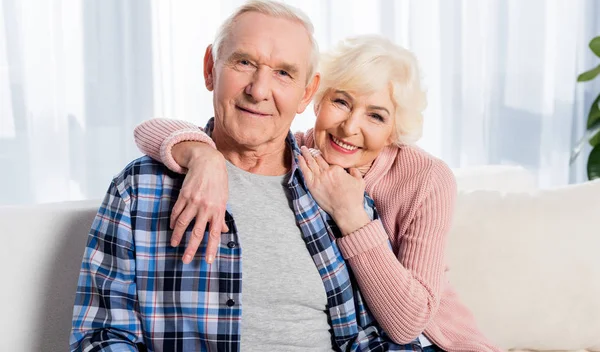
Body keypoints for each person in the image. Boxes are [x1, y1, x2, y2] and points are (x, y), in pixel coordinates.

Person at [70, 0, 423, 351]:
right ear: (211, 68)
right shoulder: (139, 191)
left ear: (307, 93)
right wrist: (203, 155)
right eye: (244, 62)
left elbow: (371, 340)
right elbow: (101, 339)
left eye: (283, 73)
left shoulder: (340, 197)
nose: (258, 90)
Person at [133, 35, 503, 352]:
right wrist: (202, 156)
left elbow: (407, 325)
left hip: (434, 342)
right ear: (316, 98)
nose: (349, 127)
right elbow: (149, 129)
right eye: (341, 102)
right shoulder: (297, 154)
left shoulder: (425, 178)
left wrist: (350, 215)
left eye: (376, 116)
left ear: (395, 129)